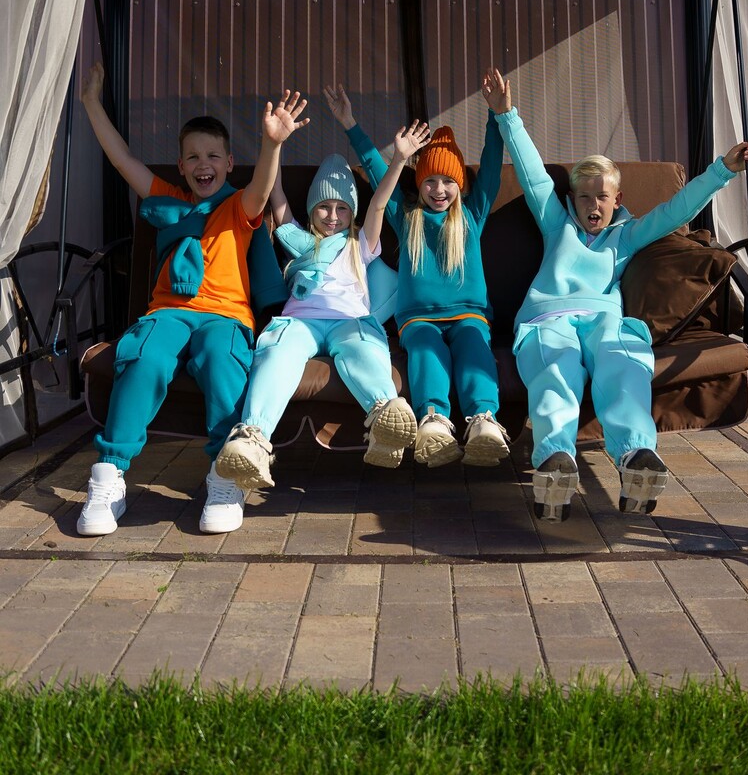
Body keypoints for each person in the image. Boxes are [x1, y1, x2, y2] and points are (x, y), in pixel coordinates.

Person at [485, 67, 748, 522]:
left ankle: (636, 456)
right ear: (571, 200)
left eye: (602, 197)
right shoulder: (556, 224)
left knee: (623, 361)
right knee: (555, 369)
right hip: (548, 320)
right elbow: (533, 176)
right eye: (584, 197)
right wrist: (506, 115)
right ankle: (556, 460)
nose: (593, 206)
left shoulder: (627, 235)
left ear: (617, 199)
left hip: (604, 320)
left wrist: (722, 170)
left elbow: (676, 211)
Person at [77, 62, 308, 536]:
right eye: (193, 157)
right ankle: (109, 475)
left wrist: (272, 144)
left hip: (225, 317)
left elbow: (263, 186)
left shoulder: (238, 206)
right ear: (181, 166)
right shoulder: (167, 200)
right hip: (168, 312)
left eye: (213, 156)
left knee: (222, 358)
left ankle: (225, 476)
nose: (204, 164)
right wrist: (91, 103)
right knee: (144, 357)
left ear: (229, 163)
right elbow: (122, 160)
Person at [215, 116, 432, 489]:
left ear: (352, 213)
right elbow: (275, 191)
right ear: (312, 209)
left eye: (342, 208)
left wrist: (398, 159)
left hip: (349, 319)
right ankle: (252, 437)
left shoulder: (359, 243)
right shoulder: (300, 241)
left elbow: (379, 204)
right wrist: (274, 142)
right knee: (276, 352)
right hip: (300, 321)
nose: (332, 217)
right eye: (324, 207)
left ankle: (385, 412)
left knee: (363, 348)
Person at [324, 80, 510, 468]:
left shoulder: (470, 216)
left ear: (460, 185)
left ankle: (483, 421)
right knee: (425, 351)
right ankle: (434, 421)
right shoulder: (407, 216)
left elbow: (491, 166)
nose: (439, 189)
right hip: (418, 320)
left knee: (473, 346)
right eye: (430, 180)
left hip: (469, 316)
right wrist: (350, 124)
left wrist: (496, 116)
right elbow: (378, 171)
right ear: (419, 183)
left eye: (448, 181)